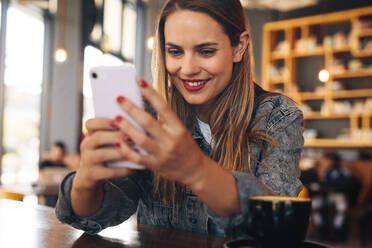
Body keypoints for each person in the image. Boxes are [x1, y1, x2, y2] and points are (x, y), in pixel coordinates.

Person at [56, 0, 304, 238]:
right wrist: (86, 180)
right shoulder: (149, 118)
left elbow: (278, 227)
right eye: (175, 52)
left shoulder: (277, 116)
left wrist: (195, 168)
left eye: (206, 51)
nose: (187, 69)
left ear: (239, 47)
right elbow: (106, 211)